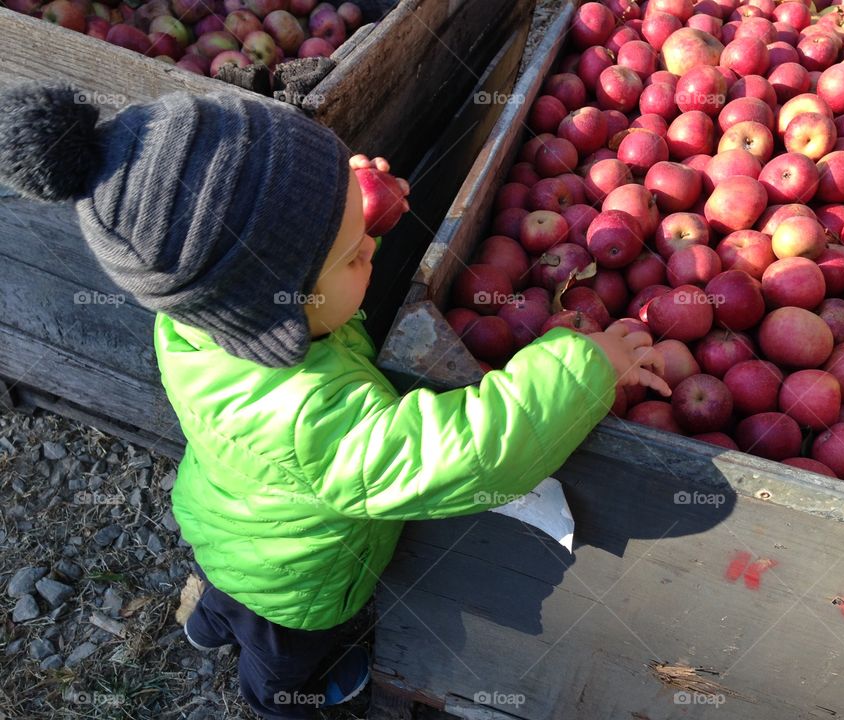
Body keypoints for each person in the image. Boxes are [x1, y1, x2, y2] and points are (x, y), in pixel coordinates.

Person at [0, 81, 670, 719]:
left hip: (227, 525)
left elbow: (297, 282)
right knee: (279, 658)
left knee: (227, 595)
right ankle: (273, 699)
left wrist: (351, 211)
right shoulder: (310, 416)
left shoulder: (199, 319)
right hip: (295, 588)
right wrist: (585, 368)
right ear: (282, 313)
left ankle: (209, 625)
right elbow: (464, 454)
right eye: (354, 253)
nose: (370, 250)